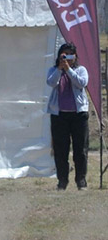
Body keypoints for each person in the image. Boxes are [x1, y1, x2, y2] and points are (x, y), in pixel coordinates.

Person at [46, 43, 89, 191]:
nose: (67, 58)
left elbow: (81, 83)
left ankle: (81, 180)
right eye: (64, 55)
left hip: (79, 115)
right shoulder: (54, 70)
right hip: (59, 115)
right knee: (60, 150)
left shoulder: (81, 70)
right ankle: (62, 181)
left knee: (80, 149)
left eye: (71, 55)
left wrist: (69, 69)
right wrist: (60, 68)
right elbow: (51, 82)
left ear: (76, 56)